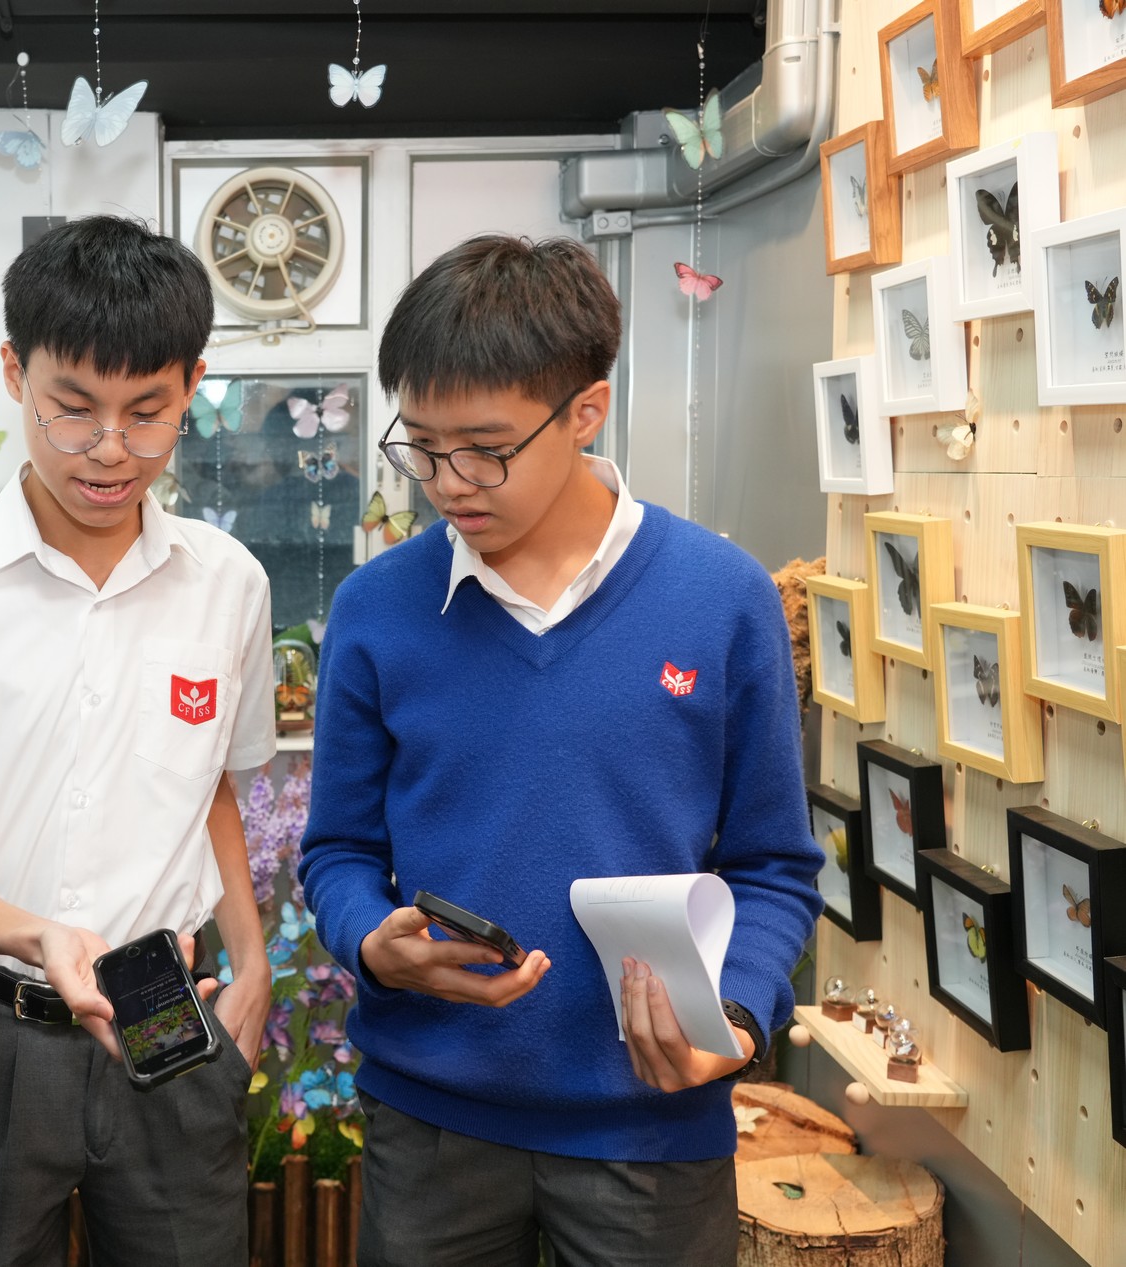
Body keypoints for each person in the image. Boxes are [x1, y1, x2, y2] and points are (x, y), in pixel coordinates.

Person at [297, 234, 823, 1267]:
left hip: (653, 1128)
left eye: (486, 448)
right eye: (422, 447)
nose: (449, 482)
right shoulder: (375, 608)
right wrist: (370, 940)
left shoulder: (721, 597)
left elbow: (772, 868)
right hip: (430, 1126)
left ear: (586, 411)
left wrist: (734, 1015)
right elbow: (339, 852)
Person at [0, 215, 275, 1266]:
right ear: (13, 373)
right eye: (72, 408)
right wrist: (43, 939)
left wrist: (253, 959)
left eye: (147, 412)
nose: (110, 449)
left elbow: (210, 789)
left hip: (168, 1011)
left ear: (192, 385)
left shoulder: (227, 583)